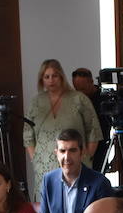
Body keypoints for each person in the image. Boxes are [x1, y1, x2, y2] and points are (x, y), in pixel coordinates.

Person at [23, 59, 102, 188]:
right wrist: (35, 158)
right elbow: (27, 135)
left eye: (54, 76)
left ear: (61, 77)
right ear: (41, 80)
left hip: (75, 166)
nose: (51, 80)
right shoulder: (35, 102)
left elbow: (93, 130)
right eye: (46, 77)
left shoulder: (79, 99)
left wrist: (86, 157)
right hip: (44, 166)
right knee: (48, 205)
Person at [71, 67, 108, 170]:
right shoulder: (74, 99)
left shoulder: (104, 99)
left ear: (91, 82)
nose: (80, 93)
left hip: (101, 148)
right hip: (80, 147)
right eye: (77, 89)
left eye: (83, 89)